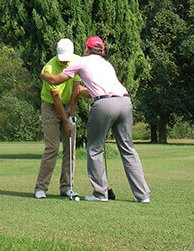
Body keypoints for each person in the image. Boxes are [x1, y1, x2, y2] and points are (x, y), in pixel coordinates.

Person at [40, 36, 151, 203]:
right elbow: (87, 90)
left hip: (104, 104)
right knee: (128, 150)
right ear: (102, 51)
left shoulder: (81, 62)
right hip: (125, 102)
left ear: (86, 49)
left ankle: (100, 193)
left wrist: (43, 74)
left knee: (94, 148)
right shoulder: (107, 64)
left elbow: (56, 80)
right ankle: (142, 195)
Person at [34, 38, 82, 200]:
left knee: (70, 148)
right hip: (50, 106)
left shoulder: (77, 61)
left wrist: (72, 115)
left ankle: (67, 187)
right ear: (56, 53)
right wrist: (66, 121)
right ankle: (41, 188)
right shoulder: (50, 67)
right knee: (52, 147)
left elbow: (76, 89)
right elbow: (56, 99)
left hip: (69, 105)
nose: (65, 61)